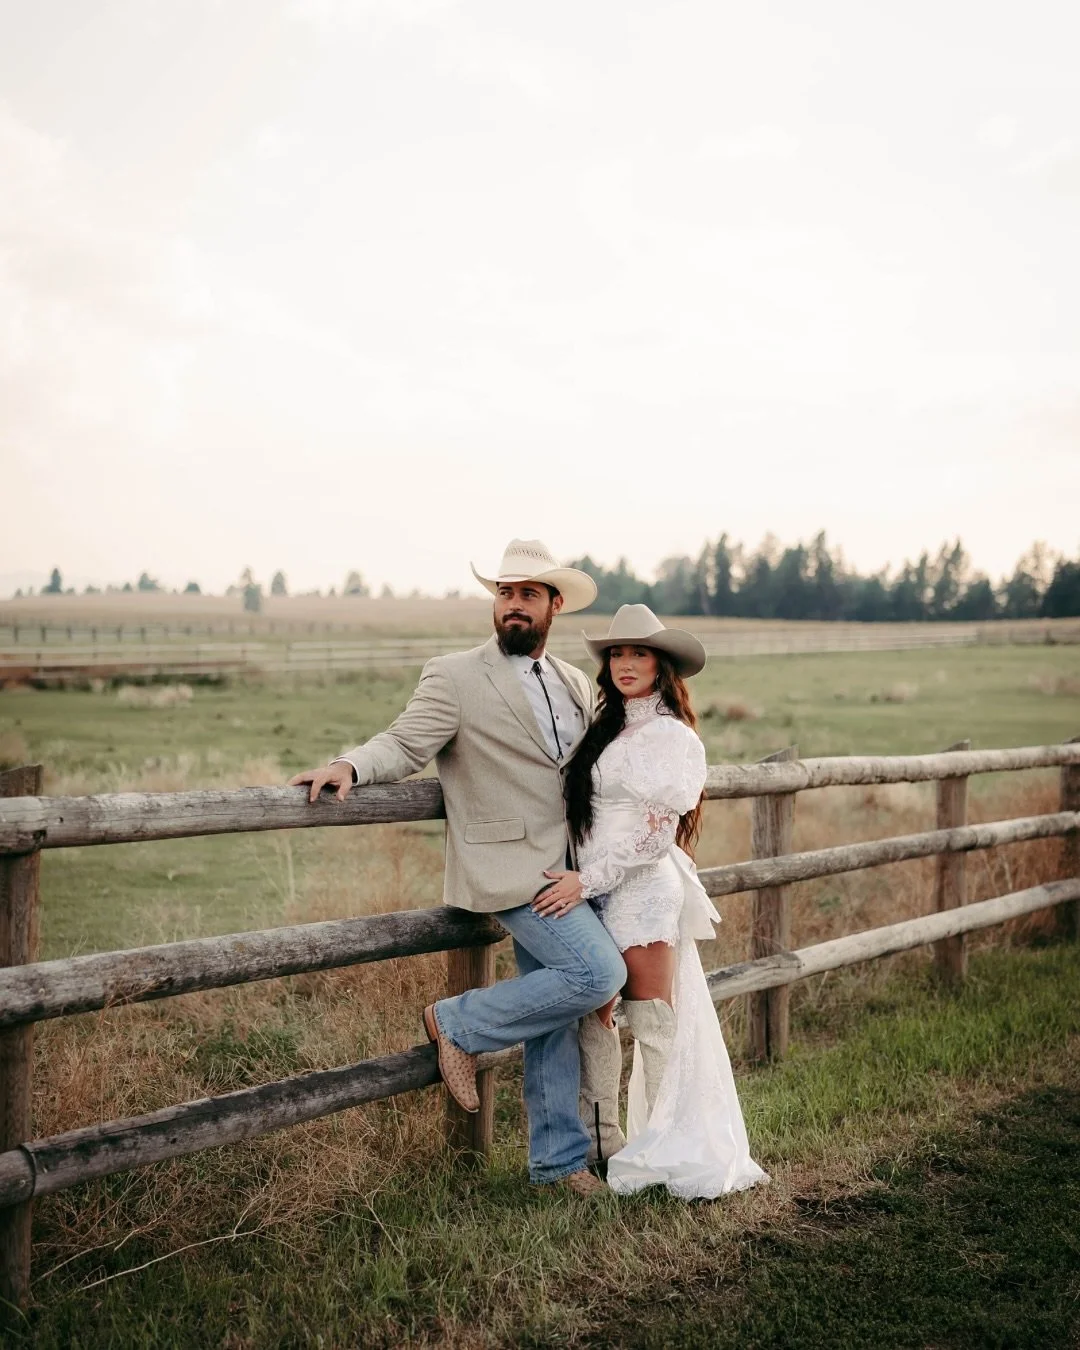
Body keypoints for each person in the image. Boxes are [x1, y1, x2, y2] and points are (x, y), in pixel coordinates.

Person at [289, 540, 625, 1196]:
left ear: (554, 604)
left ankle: (558, 1164)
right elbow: (405, 740)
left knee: (554, 1007)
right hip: (508, 866)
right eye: (505, 593)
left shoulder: (575, 682)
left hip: (568, 868)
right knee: (596, 973)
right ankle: (457, 1023)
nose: (513, 605)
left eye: (528, 594)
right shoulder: (455, 675)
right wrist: (350, 764)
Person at [542, 604, 768, 1198]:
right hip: (592, 887)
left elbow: (653, 835)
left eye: (638, 653)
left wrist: (586, 882)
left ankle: (668, 1146)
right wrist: (581, 878)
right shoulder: (606, 728)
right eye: (617, 654)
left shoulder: (671, 736)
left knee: (650, 1020)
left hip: (640, 889)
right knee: (595, 1013)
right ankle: (602, 1143)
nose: (625, 663)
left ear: (661, 665)